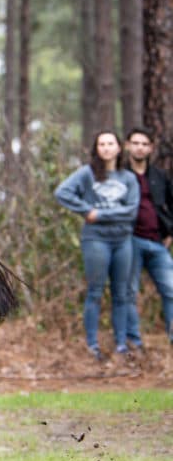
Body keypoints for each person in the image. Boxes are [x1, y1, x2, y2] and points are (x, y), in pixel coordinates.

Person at [55, 130, 140, 362]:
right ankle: (92, 345)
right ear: (96, 148)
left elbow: (131, 210)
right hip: (96, 240)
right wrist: (85, 210)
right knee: (95, 291)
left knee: (121, 293)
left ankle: (121, 345)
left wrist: (99, 213)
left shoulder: (128, 178)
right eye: (101, 144)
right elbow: (62, 192)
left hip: (123, 241)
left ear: (119, 147)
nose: (106, 148)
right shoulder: (87, 174)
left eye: (110, 143)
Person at [121, 127, 173, 351]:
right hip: (131, 242)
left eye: (144, 144)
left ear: (150, 148)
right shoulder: (120, 176)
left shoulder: (160, 176)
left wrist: (170, 233)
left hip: (158, 243)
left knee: (170, 290)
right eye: (136, 143)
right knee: (130, 292)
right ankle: (135, 342)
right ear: (127, 145)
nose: (140, 147)